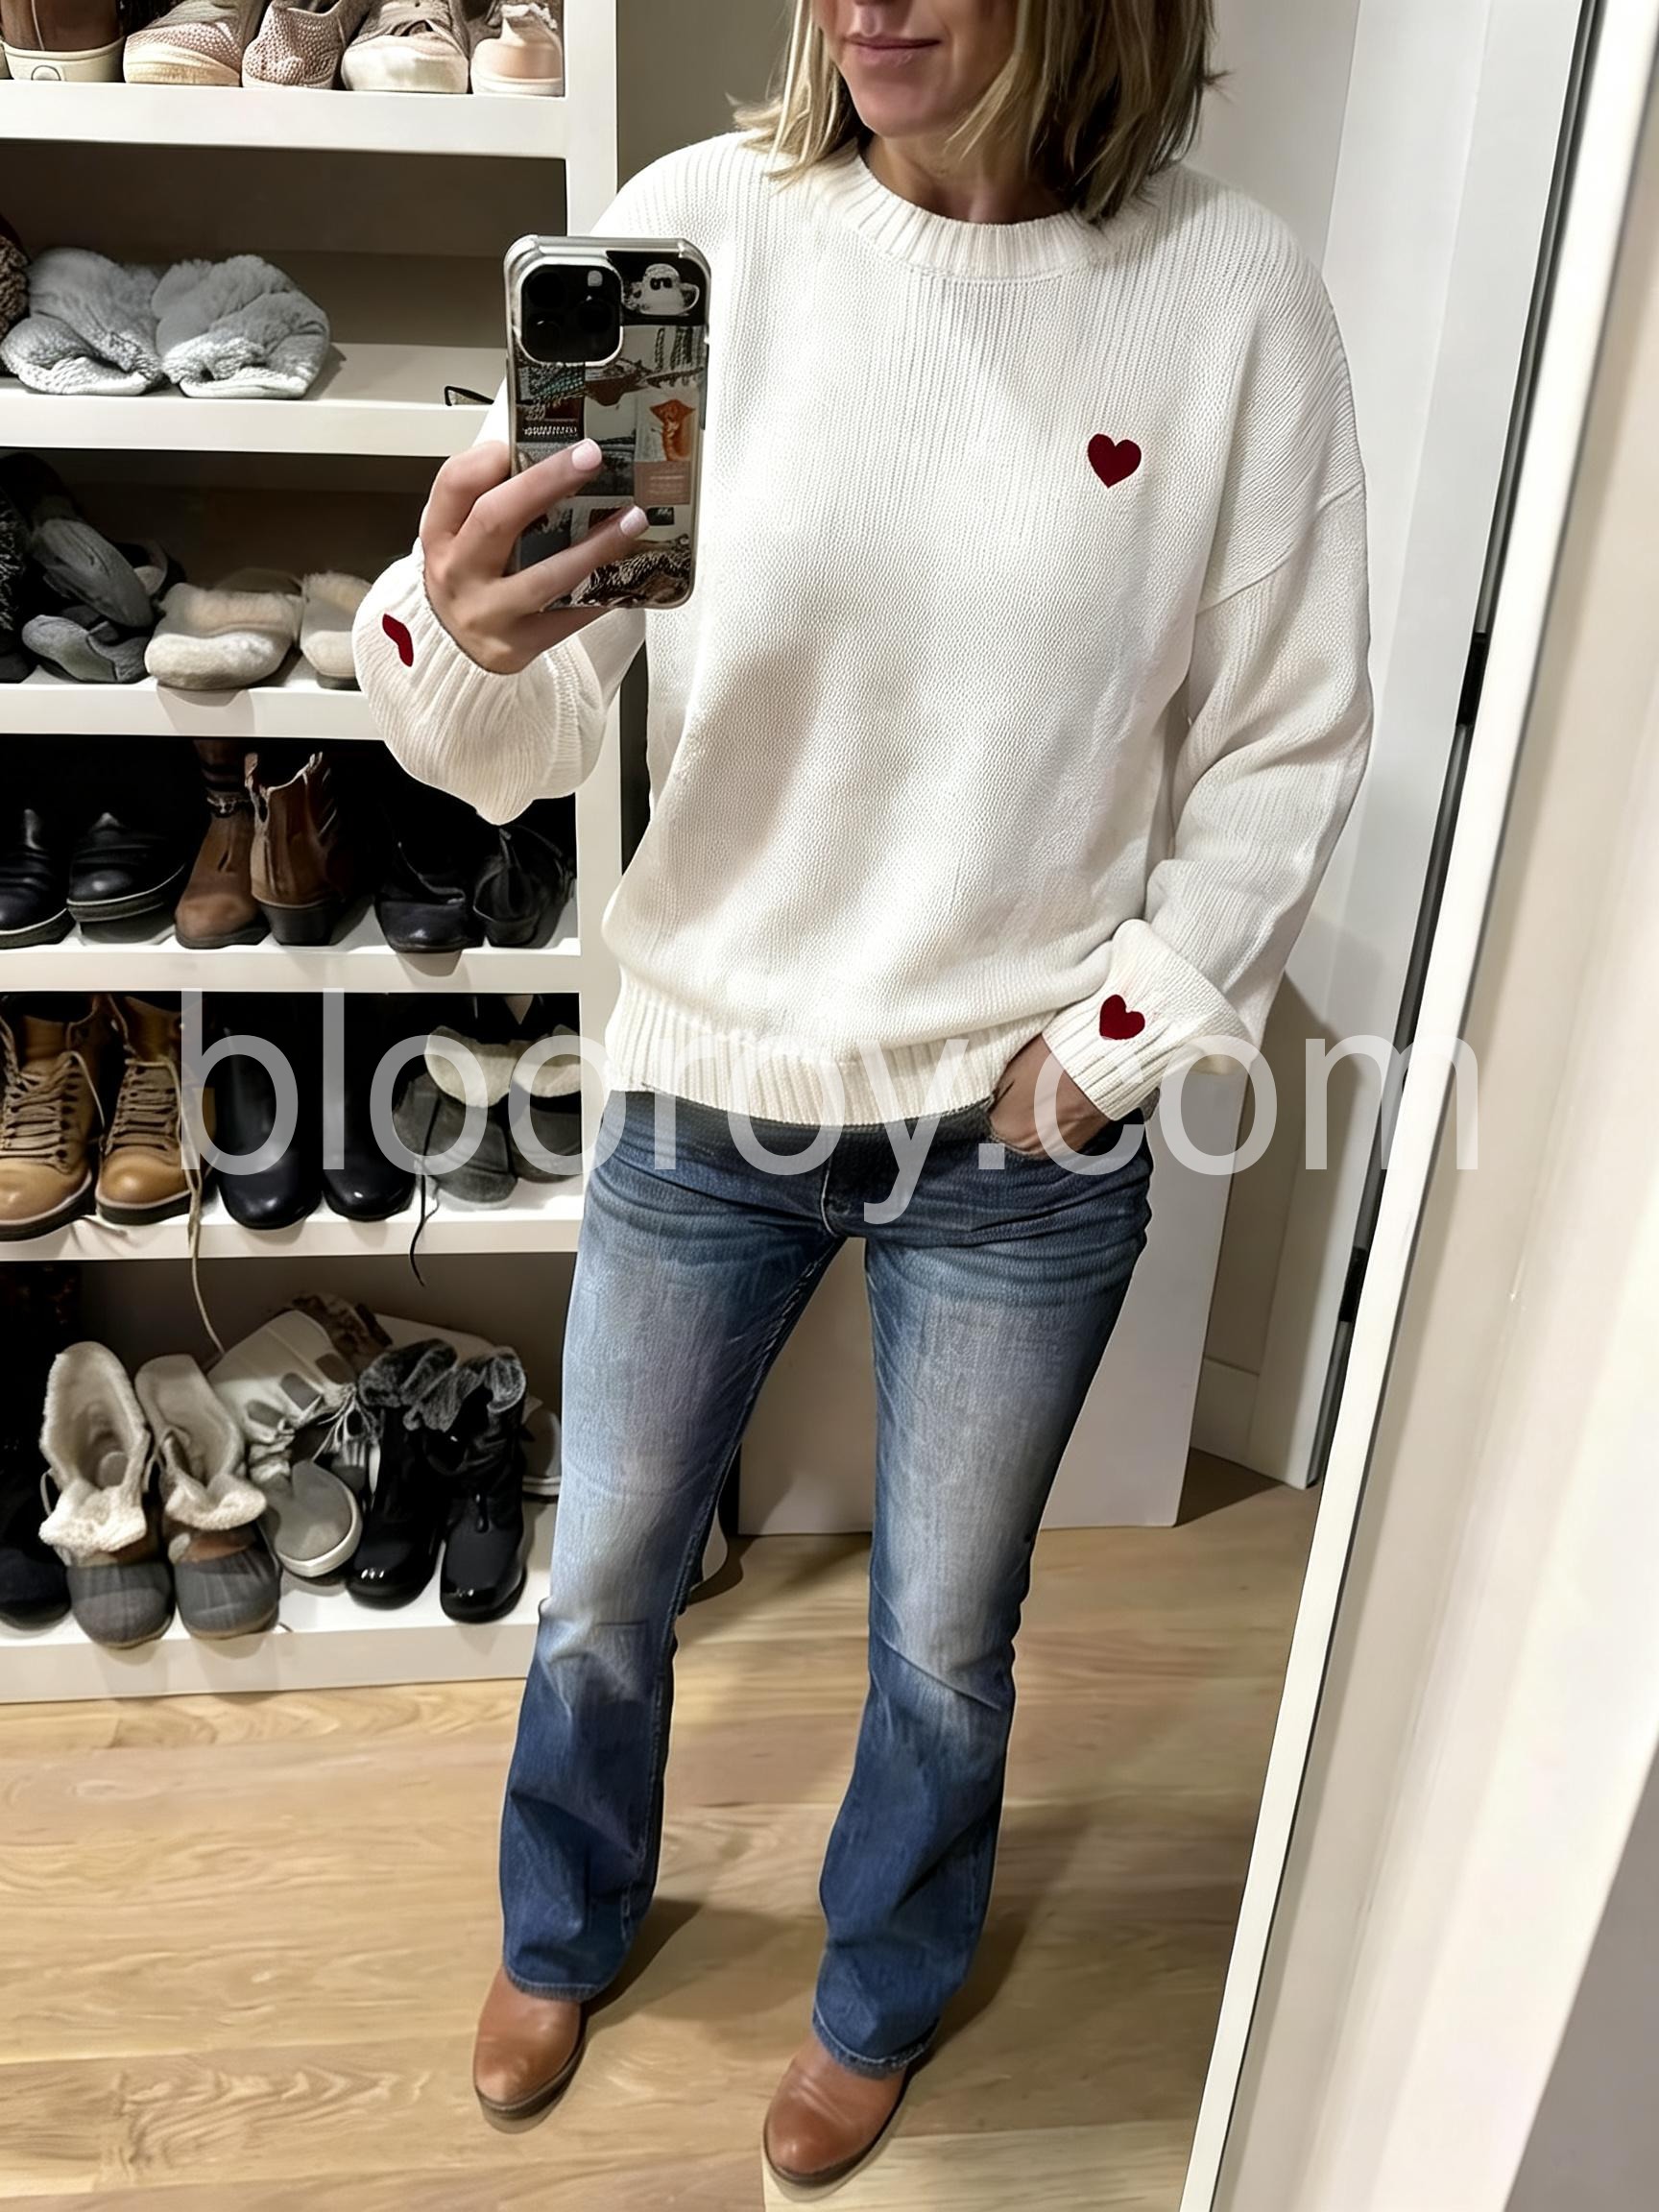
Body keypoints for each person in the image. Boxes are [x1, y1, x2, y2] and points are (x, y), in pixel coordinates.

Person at [355, 0, 1372, 2189]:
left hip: (1016, 1136)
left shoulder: (1230, 299)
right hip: (706, 1082)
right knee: (606, 1572)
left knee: (941, 1637)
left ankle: (881, 1994)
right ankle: (561, 1923)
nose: (864, 6)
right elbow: (522, 736)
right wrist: (459, 637)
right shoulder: (703, 241)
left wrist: (1109, 1055)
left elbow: (1285, 740)